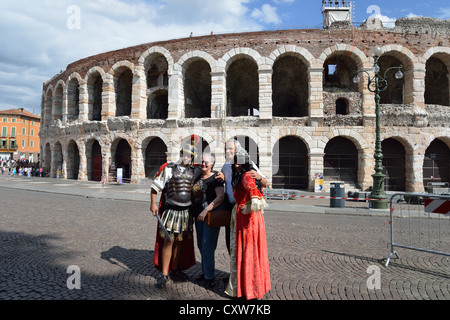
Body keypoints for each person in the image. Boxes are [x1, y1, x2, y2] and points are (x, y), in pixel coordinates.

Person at [150, 144, 200, 289]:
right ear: (181, 154)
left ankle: (176, 269)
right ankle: (165, 275)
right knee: (169, 241)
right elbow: (155, 186)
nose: (186, 157)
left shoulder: (194, 171)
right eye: (184, 154)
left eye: (189, 156)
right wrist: (153, 204)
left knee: (180, 242)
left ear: (192, 158)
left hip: (186, 212)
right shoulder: (169, 168)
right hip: (171, 211)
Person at [225, 150, 271, 300]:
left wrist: (251, 205)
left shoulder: (247, 175)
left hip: (247, 218)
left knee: (247, 251)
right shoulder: (238, 173)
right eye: (235, 162)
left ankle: (248, 288)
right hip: (247, 216)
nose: (237, 165)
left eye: (240, 162)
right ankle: (251, 286)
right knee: (248, 250)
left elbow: (258, 187)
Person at [216, 138, 268, 254]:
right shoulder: (225, 166)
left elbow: (265, 183)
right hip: (231, 208)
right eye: (226, 149)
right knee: (231, 241)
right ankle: (234, 270)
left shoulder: (248, 163)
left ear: (237, 149)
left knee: (244, 241)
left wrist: (259, 177)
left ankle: (244, 270)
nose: (227, 151)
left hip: (246, 210)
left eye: (230, 149)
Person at [191, 153, 225, 288]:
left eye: (206, 162)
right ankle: (205, 272)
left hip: (210, 216)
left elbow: (220, 197)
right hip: (197, 216)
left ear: (212, 164)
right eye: (202, 162)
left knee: (207, 246)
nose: (203, 164)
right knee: (200, 245)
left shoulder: (216, 178)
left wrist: (206, 210)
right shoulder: (197, 176)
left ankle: (210, 277)